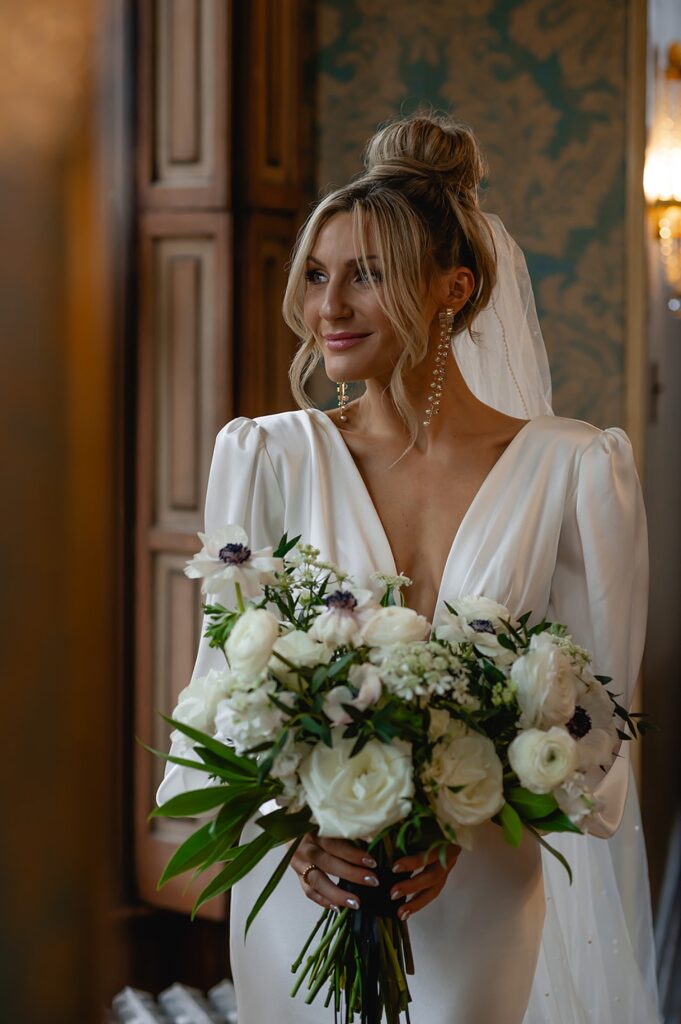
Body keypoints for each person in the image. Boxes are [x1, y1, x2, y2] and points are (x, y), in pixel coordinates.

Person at [158, 113, 660, 1023]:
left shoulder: (576, 470)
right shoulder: (268, 457)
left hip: (474, 891)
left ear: (452, 290)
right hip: (307, 884)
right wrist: (293, 839)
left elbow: (595, 737)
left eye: (367, 275)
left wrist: (468, 825)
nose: (328, 307)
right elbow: (221, 696)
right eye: (316, 274)